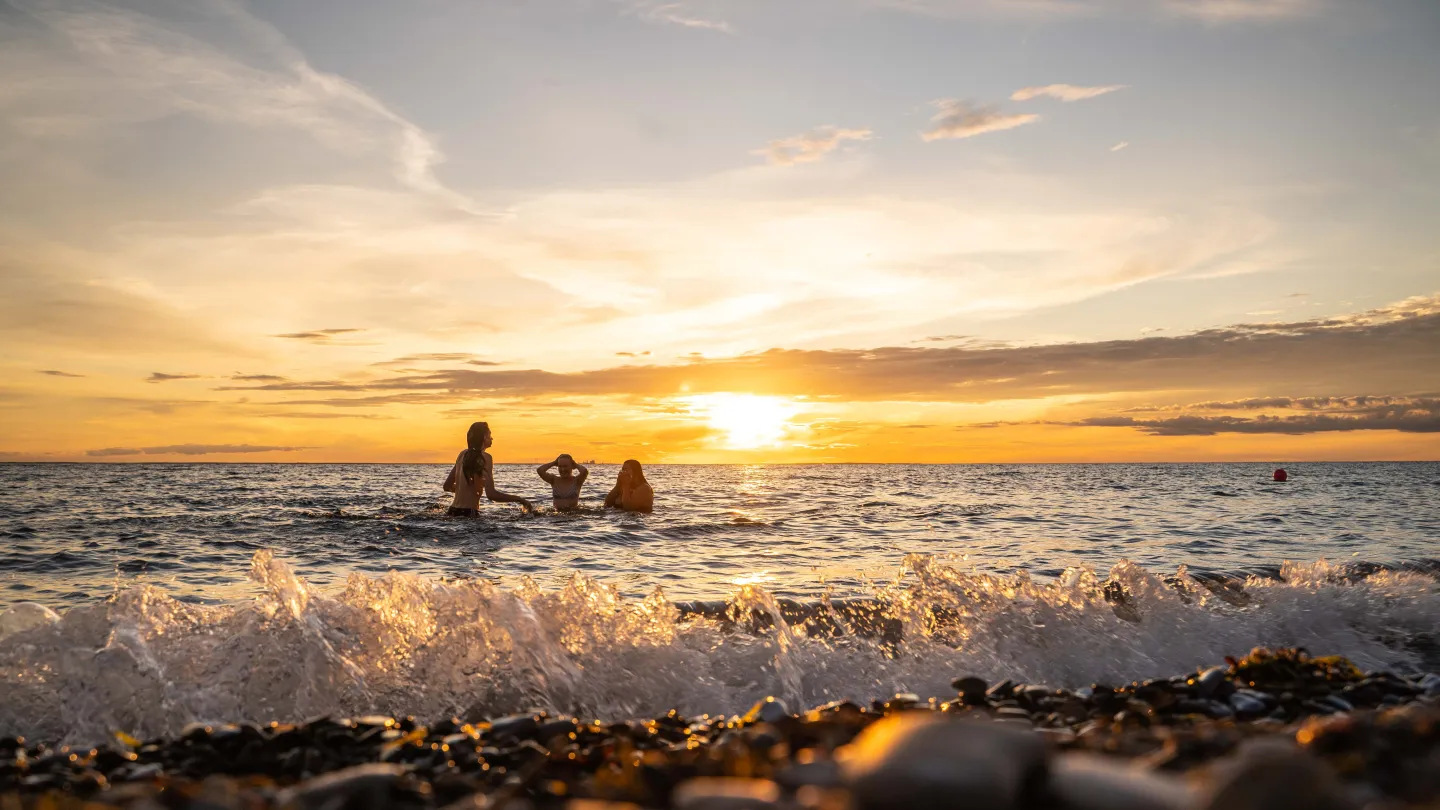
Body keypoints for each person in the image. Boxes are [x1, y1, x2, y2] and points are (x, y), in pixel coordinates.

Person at [442, 421, 534, 516]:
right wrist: (520, 499)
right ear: (484, 438)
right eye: (490, 435)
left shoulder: (462, 454)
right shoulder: (486, 458)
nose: (492, 438)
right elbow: (491, 494)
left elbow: (447, 486)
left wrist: (464, 490)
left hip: (452, 511)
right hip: (469, 513)